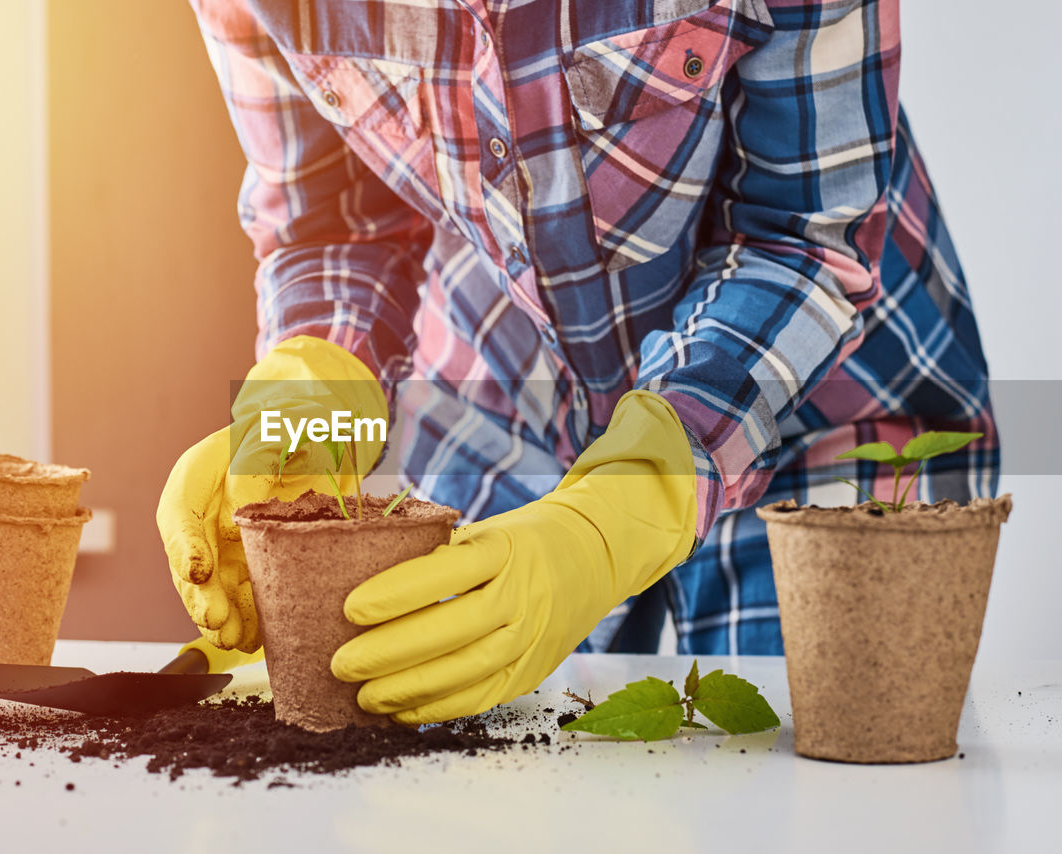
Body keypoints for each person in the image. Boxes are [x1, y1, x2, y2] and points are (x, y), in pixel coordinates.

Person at [157, 0, 998, 725]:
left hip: (816, 393)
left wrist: (631, 502)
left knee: (814, 793)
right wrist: (314, 379)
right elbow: (338, 223)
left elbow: (801, 240)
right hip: (505, 384)